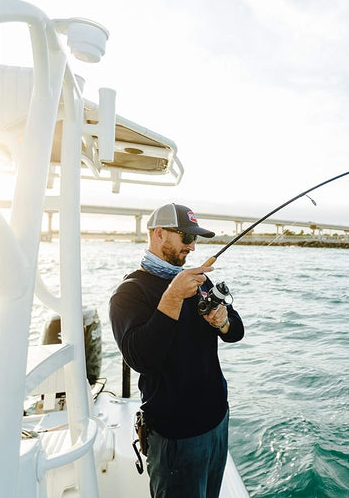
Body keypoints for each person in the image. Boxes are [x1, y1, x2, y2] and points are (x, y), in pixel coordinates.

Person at [109, 203, 244, 498]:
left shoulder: (200, 281)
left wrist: (222, 322)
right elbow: (140, 358)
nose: (193, 247)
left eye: (195, 239)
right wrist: (171, 296)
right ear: (159, 234)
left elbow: (236, 331)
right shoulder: (129, 292)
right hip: (175, 435)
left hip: (218, 421)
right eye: (186, 238)